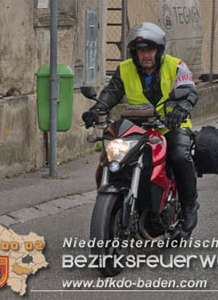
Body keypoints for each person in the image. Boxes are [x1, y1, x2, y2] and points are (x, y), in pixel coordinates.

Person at [82, 22, 199, 233]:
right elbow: (112, 92)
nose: (145, 55)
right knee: (113, 158)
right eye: (140, 51)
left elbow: (189, 90)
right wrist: (97, 108)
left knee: (180, 156)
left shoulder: (176, 65)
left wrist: (181, 110)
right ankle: (116, 205)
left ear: (159, 51)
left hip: (169, 126)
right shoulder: (125, 69)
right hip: (136, 127)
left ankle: (190, 206)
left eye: (150, 49)